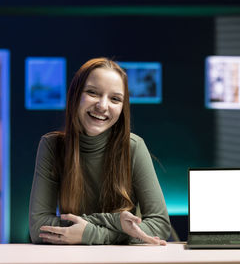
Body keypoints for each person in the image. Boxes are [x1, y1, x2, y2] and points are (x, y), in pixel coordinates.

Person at [29, 57, 171, 245]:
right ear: (75, 95)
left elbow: (160, 226)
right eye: (93, 93)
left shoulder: (134, 146)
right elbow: (38, 227)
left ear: (122, 107)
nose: (102, 106)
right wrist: (115, 222)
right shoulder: (52, 146)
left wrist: (91, 234)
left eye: (115, 99)